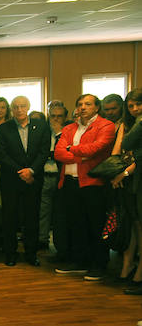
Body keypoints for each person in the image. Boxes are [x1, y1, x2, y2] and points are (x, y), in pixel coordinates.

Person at [54, 94, 116, 280]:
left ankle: (99, 264)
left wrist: (70, 149)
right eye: (80, 104)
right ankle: (80, 261)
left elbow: (95, 149)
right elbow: (58, 152)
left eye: (87, 104)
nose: (83, 107)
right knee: (76, 223)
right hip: (70, 182)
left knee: (95, 225)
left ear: (96, 108)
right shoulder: (70, 128)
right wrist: (79, 154)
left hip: (92, 183)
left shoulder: (105, 126)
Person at [0, 95, 50, 266]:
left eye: (22, 106)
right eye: (16, 107)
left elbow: (44, 151)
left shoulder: (41, 126)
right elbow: (1, 154)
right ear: (12, 109)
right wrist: (21, 171)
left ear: (28, 107)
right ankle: (10, 254)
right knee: (9, 218)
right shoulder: (4, 128)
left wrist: (31, 170)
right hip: (11, 179)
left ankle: (31, 254)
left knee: (32, 218)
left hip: (33, 179)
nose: (19, 110)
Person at [116, 89, 142, 291]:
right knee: (133, 223)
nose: (135, 109)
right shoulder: (129, 124)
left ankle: (139, 274)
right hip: (130, 181)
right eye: (131, 106)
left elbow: (131, 147)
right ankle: (128, 265)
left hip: (134, 177)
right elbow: (122, 148)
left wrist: (124, 173)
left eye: (138, 104)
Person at [40, 103, 68, 256]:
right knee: (43, 211)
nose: (56, 119)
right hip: (44, 175)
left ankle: (60, 246)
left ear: (65, 117)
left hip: (61, 177)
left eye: (59, 116)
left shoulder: (68, 131)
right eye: (53, 116)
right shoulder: (43, 131)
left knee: (59, 213)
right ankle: (42, 240)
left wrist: (59, 133)